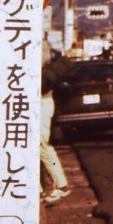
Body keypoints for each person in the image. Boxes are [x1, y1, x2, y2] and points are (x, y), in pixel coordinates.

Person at [40, 37, 71, 205]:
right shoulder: (40, 42)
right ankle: (38, 189)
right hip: (40, 101)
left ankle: (62, 184)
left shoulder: (40, 45)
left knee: (40, 144)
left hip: (43, 101)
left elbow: (40, 66)